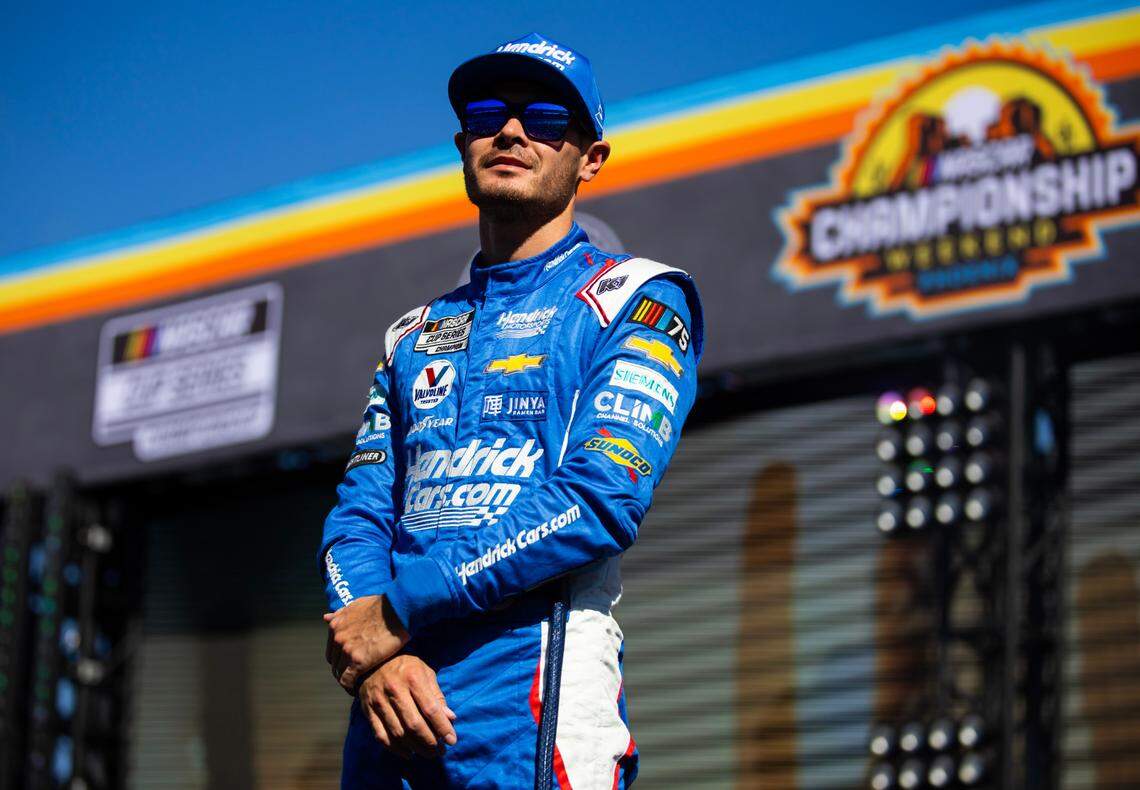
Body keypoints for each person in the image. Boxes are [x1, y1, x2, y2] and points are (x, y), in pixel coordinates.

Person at [320, 32, 704, 789]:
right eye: (490, 113)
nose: (513, 131)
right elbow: (357, 517)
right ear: (463, 143)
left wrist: (398, 612)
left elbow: (600, 499)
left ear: (589, 159)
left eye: (547, 119)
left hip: (535, 712)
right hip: (388, 715)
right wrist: (375, 658)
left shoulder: (639, 297)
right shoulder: (411, 335)